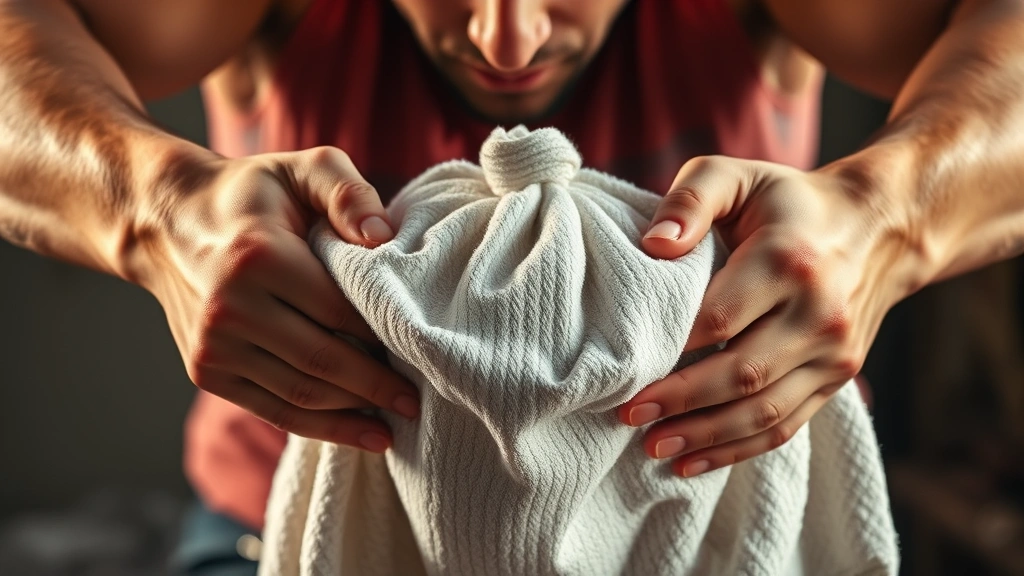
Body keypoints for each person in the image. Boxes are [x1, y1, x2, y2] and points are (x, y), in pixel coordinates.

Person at [0, 0, 1022, 573]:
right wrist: (152, 206)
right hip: (266, 530)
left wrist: (888, 217)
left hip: (709, 539)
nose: (507, 39)